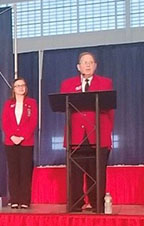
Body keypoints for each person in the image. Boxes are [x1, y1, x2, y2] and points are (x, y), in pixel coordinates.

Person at [60, 52, 114, 212]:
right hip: (75, 135)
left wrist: (108, 132)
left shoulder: (105, 83)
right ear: (79, 67)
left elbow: (109, 110)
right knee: (75, 172)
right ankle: (76, 203)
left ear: (95, 66)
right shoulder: (68, 84)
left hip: (98, 135)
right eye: (85, 62)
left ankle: (97, 203)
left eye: (91, 62)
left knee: (96, 171)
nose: (88, 65)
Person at [1, 78, 38, 209]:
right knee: (13, 171)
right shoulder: (8, 104)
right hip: (10, 142)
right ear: (13, 89)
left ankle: (24, 200)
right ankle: (14, 199)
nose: (20, 88)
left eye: (23, 85)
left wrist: (22, 136)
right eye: (17, 86)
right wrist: (12, 136)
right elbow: (5, 122)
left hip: (26, 142)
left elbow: (33, 122)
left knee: (25, 171)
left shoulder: (32, 103)